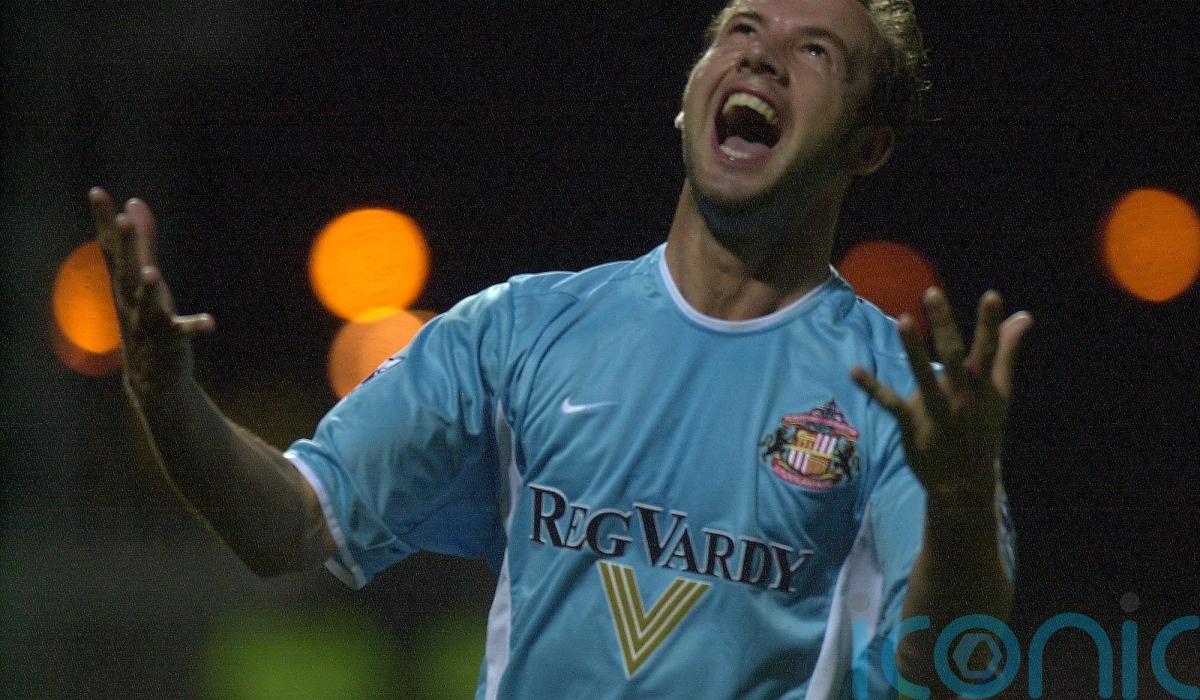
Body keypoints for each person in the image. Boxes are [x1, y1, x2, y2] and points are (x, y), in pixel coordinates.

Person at [89, 0, 1033, 696]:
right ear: (689, 97)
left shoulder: (903, 405)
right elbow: (291, 524)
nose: (763, 56)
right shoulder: (518, 332)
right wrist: (167, 398)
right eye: (742, 30)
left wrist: (957, 499)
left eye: (814, 50)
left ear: (867, 146)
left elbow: (950, 673)